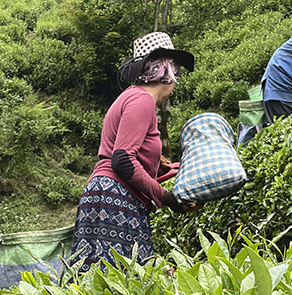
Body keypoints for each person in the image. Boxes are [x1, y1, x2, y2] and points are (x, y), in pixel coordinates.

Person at [71, 32, 197, 274]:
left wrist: (168, 169)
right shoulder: (141, 101)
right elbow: (122, 161)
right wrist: (167, 198)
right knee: (123, 281)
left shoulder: (131, 98)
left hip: (107, 195)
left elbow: (132, 155)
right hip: (115, 198)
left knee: (96, 282)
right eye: (176, 70)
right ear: (166, 71)